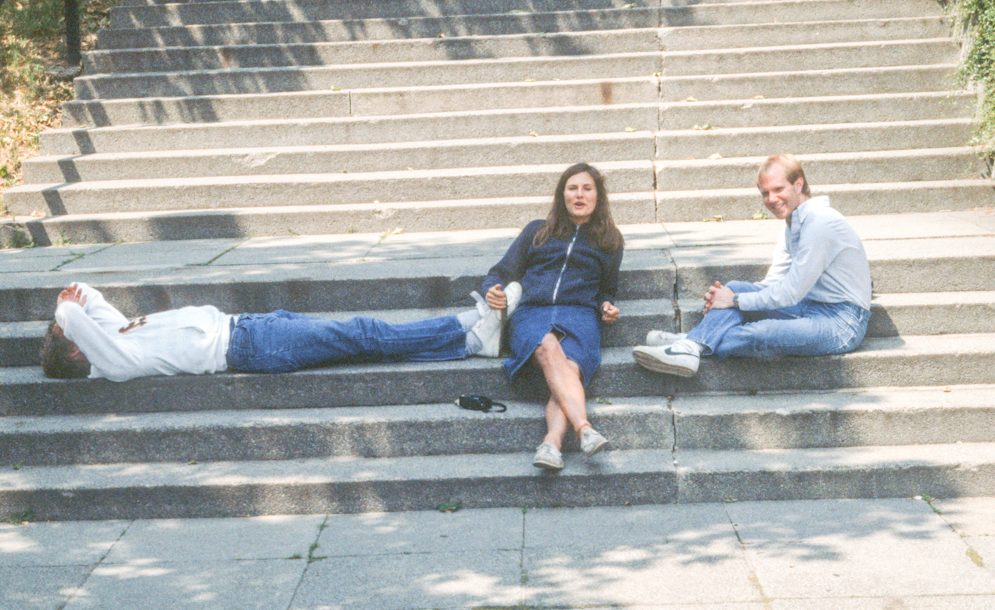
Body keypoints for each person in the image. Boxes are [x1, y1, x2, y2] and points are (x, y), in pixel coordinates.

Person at [633, 154, 871, 376]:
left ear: (798, 185)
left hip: (842, 322)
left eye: (778, 189)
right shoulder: (796, 222)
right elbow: (773, 283)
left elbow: (790, 292)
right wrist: (732, 296)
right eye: (765, 193)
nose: (772, 199)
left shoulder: (820, 223)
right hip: (809, 305)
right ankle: (693, 343)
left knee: (763, 333)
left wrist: (734, 302)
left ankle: (691, 342)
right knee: (736, 286)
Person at [40, 280, 521, 382]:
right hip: (252, 347)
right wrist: (65, 314)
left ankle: (467, 337)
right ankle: (471, 333)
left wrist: (71, 294)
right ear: (80, 352)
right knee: (365, 333)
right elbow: (77, 317)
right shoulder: (114, 361)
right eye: (73, 337)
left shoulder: (116, 336)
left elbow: (87, 299)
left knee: (362, 341)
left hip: (252, 327)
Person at [481, 162, 624, 471]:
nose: (579, 195)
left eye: (587, 188)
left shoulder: (610, 241)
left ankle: (551, 444)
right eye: (572, 188)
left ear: (598, 196)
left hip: (580, 315)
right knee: (547, 346)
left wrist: (607, 307)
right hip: (533, 312)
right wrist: (493, 291)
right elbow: (500, 273)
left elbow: (607, 290)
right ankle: (584, 428)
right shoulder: (538, 231)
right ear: (562, 195)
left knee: (569, 367)